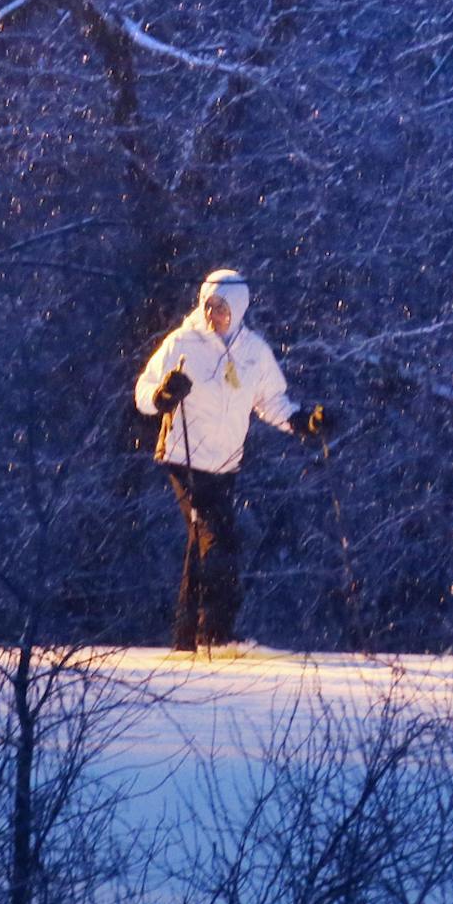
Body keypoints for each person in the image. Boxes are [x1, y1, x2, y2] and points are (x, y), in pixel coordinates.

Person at [135, 268, 324, 653]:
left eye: (221, 307)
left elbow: (271, 401)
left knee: (202, 543)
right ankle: (215, 633)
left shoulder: (254, 352)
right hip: (183, 458)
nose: (213, 313)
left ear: (238, 309)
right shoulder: (182, 343)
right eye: (208, 305)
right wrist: (163, 396)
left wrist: (303, 421)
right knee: (218, 539)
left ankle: (186, 637)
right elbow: (144, 390)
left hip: (226, 465)